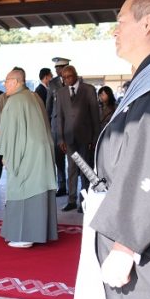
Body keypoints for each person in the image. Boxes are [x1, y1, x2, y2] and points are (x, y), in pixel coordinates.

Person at [77, 0, 150, 299]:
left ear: (148, 23)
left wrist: (125, 246)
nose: (114, 30)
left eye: (120, 21)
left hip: (143, 248)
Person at [0, 67, 58, 248]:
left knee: (23, 190)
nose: (4, 84)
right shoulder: (34, 96)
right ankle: (39, 232)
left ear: (15, 81)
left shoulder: (14, 101)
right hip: (41, 150)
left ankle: (24, 236)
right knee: (39, 190)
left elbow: (14, 134)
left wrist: (6, 155)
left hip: (27, 153)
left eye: (6, 80)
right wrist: (0, 132)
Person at [56, 65, 100, 213]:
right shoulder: (61, 93)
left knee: (85, 170)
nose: (67, 80)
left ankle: (84, 201)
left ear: (76, 75)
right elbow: (59, 117)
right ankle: (71, 200)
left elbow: (95, 114)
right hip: (69, 138)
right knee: (72, 169)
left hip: (85, 137)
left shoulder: (88, 89)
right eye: (64, 77)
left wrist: (95, 138)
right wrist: (60, 138)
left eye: (69, 76)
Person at [46, 57, 70, 197]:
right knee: (58, 158)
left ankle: (76, 186)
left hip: (72, 125)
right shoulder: (52, 83)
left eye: (60, 68)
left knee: (75, 157)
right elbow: (48, 105)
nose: (58, 71)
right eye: (56, 68)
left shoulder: (76, 80)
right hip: (56, 125)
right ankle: (62, 186)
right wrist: (47, 125)